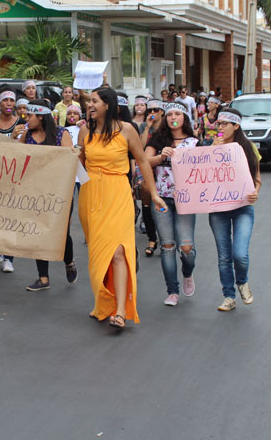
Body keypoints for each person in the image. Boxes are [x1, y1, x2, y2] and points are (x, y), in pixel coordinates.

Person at [78, 87, 166, 331]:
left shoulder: (127, 130)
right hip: (91, 195)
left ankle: (119, 312)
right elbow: (80, 164)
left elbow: (142, 162)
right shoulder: (85, 130)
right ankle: (103, 302)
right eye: (89, 102)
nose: (90, 105)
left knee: (118, 251)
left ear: (107, 104)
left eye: (94, 101)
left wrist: (154, 194)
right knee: (98, 256)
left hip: (118, 194)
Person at [19, 99, 78, 290]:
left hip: (59, 192)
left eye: (30, 115)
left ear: (41, 116)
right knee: (38, 231)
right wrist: (14, 139)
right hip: (35, 192)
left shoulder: (62, 133)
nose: (26, 119)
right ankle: (43, 278)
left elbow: (68, 162)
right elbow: (16, 157)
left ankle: (68, 262)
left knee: (61, 232)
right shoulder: (27, 134)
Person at [145, 102, 199, 306]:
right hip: (161, 198)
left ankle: (187, 273)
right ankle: (172, 291)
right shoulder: (158, 140)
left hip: (186, 200)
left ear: (185, 118)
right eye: (169, 114)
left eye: (178, 113)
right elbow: (144, 161)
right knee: (167, 246)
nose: (173, 117)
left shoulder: (195, 142)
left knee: (186, 247)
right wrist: (160, 156)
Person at [209, 108, 261, 311]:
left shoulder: (248, 147)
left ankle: (242, 282)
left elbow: (257, 179)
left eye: (224, 124)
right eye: (218, 124)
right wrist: (212, 149)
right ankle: (228, 296)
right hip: (218, 207)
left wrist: (255, 191)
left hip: (242, 206)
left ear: (236, 126)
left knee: (239, 253)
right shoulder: (212, 146)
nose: (219, 127)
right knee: (223, 255)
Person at [0, 87, 27, 273]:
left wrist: (17, 138)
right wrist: (9, 138)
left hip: (13, 174)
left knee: (10, 214)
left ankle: (9, 257)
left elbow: (24, 148)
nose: (9, 104)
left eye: (11, 101)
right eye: (5, 101)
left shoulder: (21, 123)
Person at [137, 99, 164, 256]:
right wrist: (147, 126)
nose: (152, 113)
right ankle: (152, 239)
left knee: (163, 200)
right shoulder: (143, 126)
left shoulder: (167, 126)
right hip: (145, 164)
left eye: (156, 110)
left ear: (162, 111)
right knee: (146, 193)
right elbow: (140, 147)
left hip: (163, 165)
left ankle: (165, 238)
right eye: (150, 110)